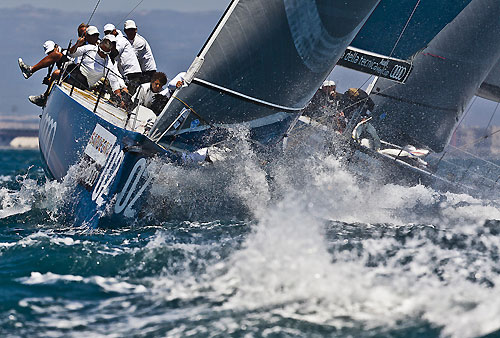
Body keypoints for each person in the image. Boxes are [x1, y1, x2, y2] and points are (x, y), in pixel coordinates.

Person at [29, 38, 128, 107]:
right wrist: (77, 44)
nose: (103, 55)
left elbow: (114, 82)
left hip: (83, 82)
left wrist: (119, 98)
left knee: (56, 74)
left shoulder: (108, 64)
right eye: (102, 52)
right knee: (57, 63)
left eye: (106, 54)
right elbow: (71, 54)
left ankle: (44, 98)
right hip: (75, 71)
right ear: (99, 47)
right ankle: (32, 73)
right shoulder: (90, 48)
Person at [103, 23, 142, 94]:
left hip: (132, 73)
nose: (108, 35)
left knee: (129, 97)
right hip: (126, 73)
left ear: (114, 31)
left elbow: (114, 54)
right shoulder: (115, 40)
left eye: (110, 32)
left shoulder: (120, 40)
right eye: (106, 33)